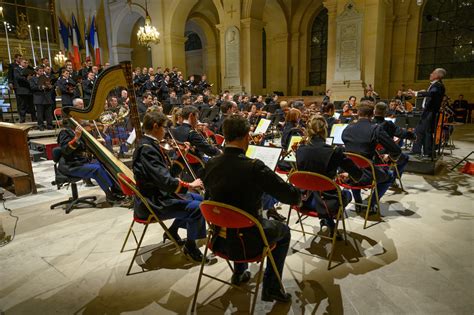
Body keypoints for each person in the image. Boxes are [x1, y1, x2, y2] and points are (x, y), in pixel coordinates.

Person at [203, 114, 301, 302]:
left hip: (218, 239)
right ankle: (271, 287)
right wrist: (298, 195)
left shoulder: (211, 163)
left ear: (225, 134)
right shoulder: (254, 167)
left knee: (234, 216)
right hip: (248, 243)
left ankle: (239, 273)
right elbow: (289, 196)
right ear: (247, 136)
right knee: (284, 232)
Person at [133, 111, 207, 262]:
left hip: (160, 194)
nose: (166, 132)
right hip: (154, 202)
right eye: (164, 128)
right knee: (198, 208)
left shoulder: (150, 145)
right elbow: (166, 182)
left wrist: (182, 156)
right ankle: (190, 246)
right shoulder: (147, 149)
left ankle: (172, 231)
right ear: (155, 127)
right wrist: (189, 185)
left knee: (200, 199)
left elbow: (168, 174)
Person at [296, 115, 368, 234]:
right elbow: (357, 175)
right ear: (325, 131)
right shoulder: (335, 151)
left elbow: (307, 174)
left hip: (304, 200)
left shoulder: (300, 149)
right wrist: (346, 175)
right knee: (347, 194)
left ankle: (327, 221)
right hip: (326, 203)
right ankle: (327, 219)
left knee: (321, 188)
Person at [57, 98, 124, 204]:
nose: (83, 118)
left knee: (104, 164)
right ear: (74, 118)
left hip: (82, 161)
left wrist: (98, 141)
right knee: (96, 169)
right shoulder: (65, 132)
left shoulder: (81, 130)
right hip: (71, 165)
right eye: (81, 116)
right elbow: (66, 150)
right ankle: (109, 195)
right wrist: (76, 138)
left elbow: (85, 146)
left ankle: (117, 190)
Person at [342, 102, 402, 212]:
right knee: (390, 175)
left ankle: (358, 201)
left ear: (358, 113)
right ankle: (372, 204)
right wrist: (390, 157)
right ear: (372, 114)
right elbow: (396, 150)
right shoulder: (375, 129)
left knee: (355, 165)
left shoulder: (347, 129)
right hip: (367, 174)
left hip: (349, 174)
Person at [408, 68, 446, 158]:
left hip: (430, 113)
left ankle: (428, 152)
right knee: (420, 131)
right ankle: (419, 151)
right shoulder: (435, 85)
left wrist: (417, 93)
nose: (430, 74)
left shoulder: (438, 85)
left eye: (432, 73)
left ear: (437, 76)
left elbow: (432, 93)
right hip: (427, 112)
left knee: (426, 132)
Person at [29, 66, 54, 130]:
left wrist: (50, 86)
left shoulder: (46, 78)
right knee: (40, 113)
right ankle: (41, 125)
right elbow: (32, 87)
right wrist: (41, 87)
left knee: (48, 113)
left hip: (47, 97)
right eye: (40, 71)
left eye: (42, 71)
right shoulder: (32, 79)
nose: (42, 72)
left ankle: (49, 125)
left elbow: (51, 85)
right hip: (39, 97)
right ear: (36, 71)